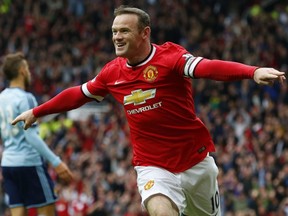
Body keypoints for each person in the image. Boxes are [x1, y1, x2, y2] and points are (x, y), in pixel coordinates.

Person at [11, 5, 286, 216]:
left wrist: (252, 72)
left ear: (145, 33)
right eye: (114, 32)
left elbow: (209, 67)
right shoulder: (111, 73)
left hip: (195, 162)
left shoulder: (171, 58)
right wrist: (37, 112)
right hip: (152, 166)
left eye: (124, 31)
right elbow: (78, 95)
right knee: (160, 210)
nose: (117, 37)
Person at [0, 52, 74, 216]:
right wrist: (56, 162)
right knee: (47, 210)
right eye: (27, 67)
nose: (29, 72)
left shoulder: (1, 98)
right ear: (21, 70)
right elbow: (31, 136)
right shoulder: (26, 98)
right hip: (29, 163)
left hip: (8, 164)